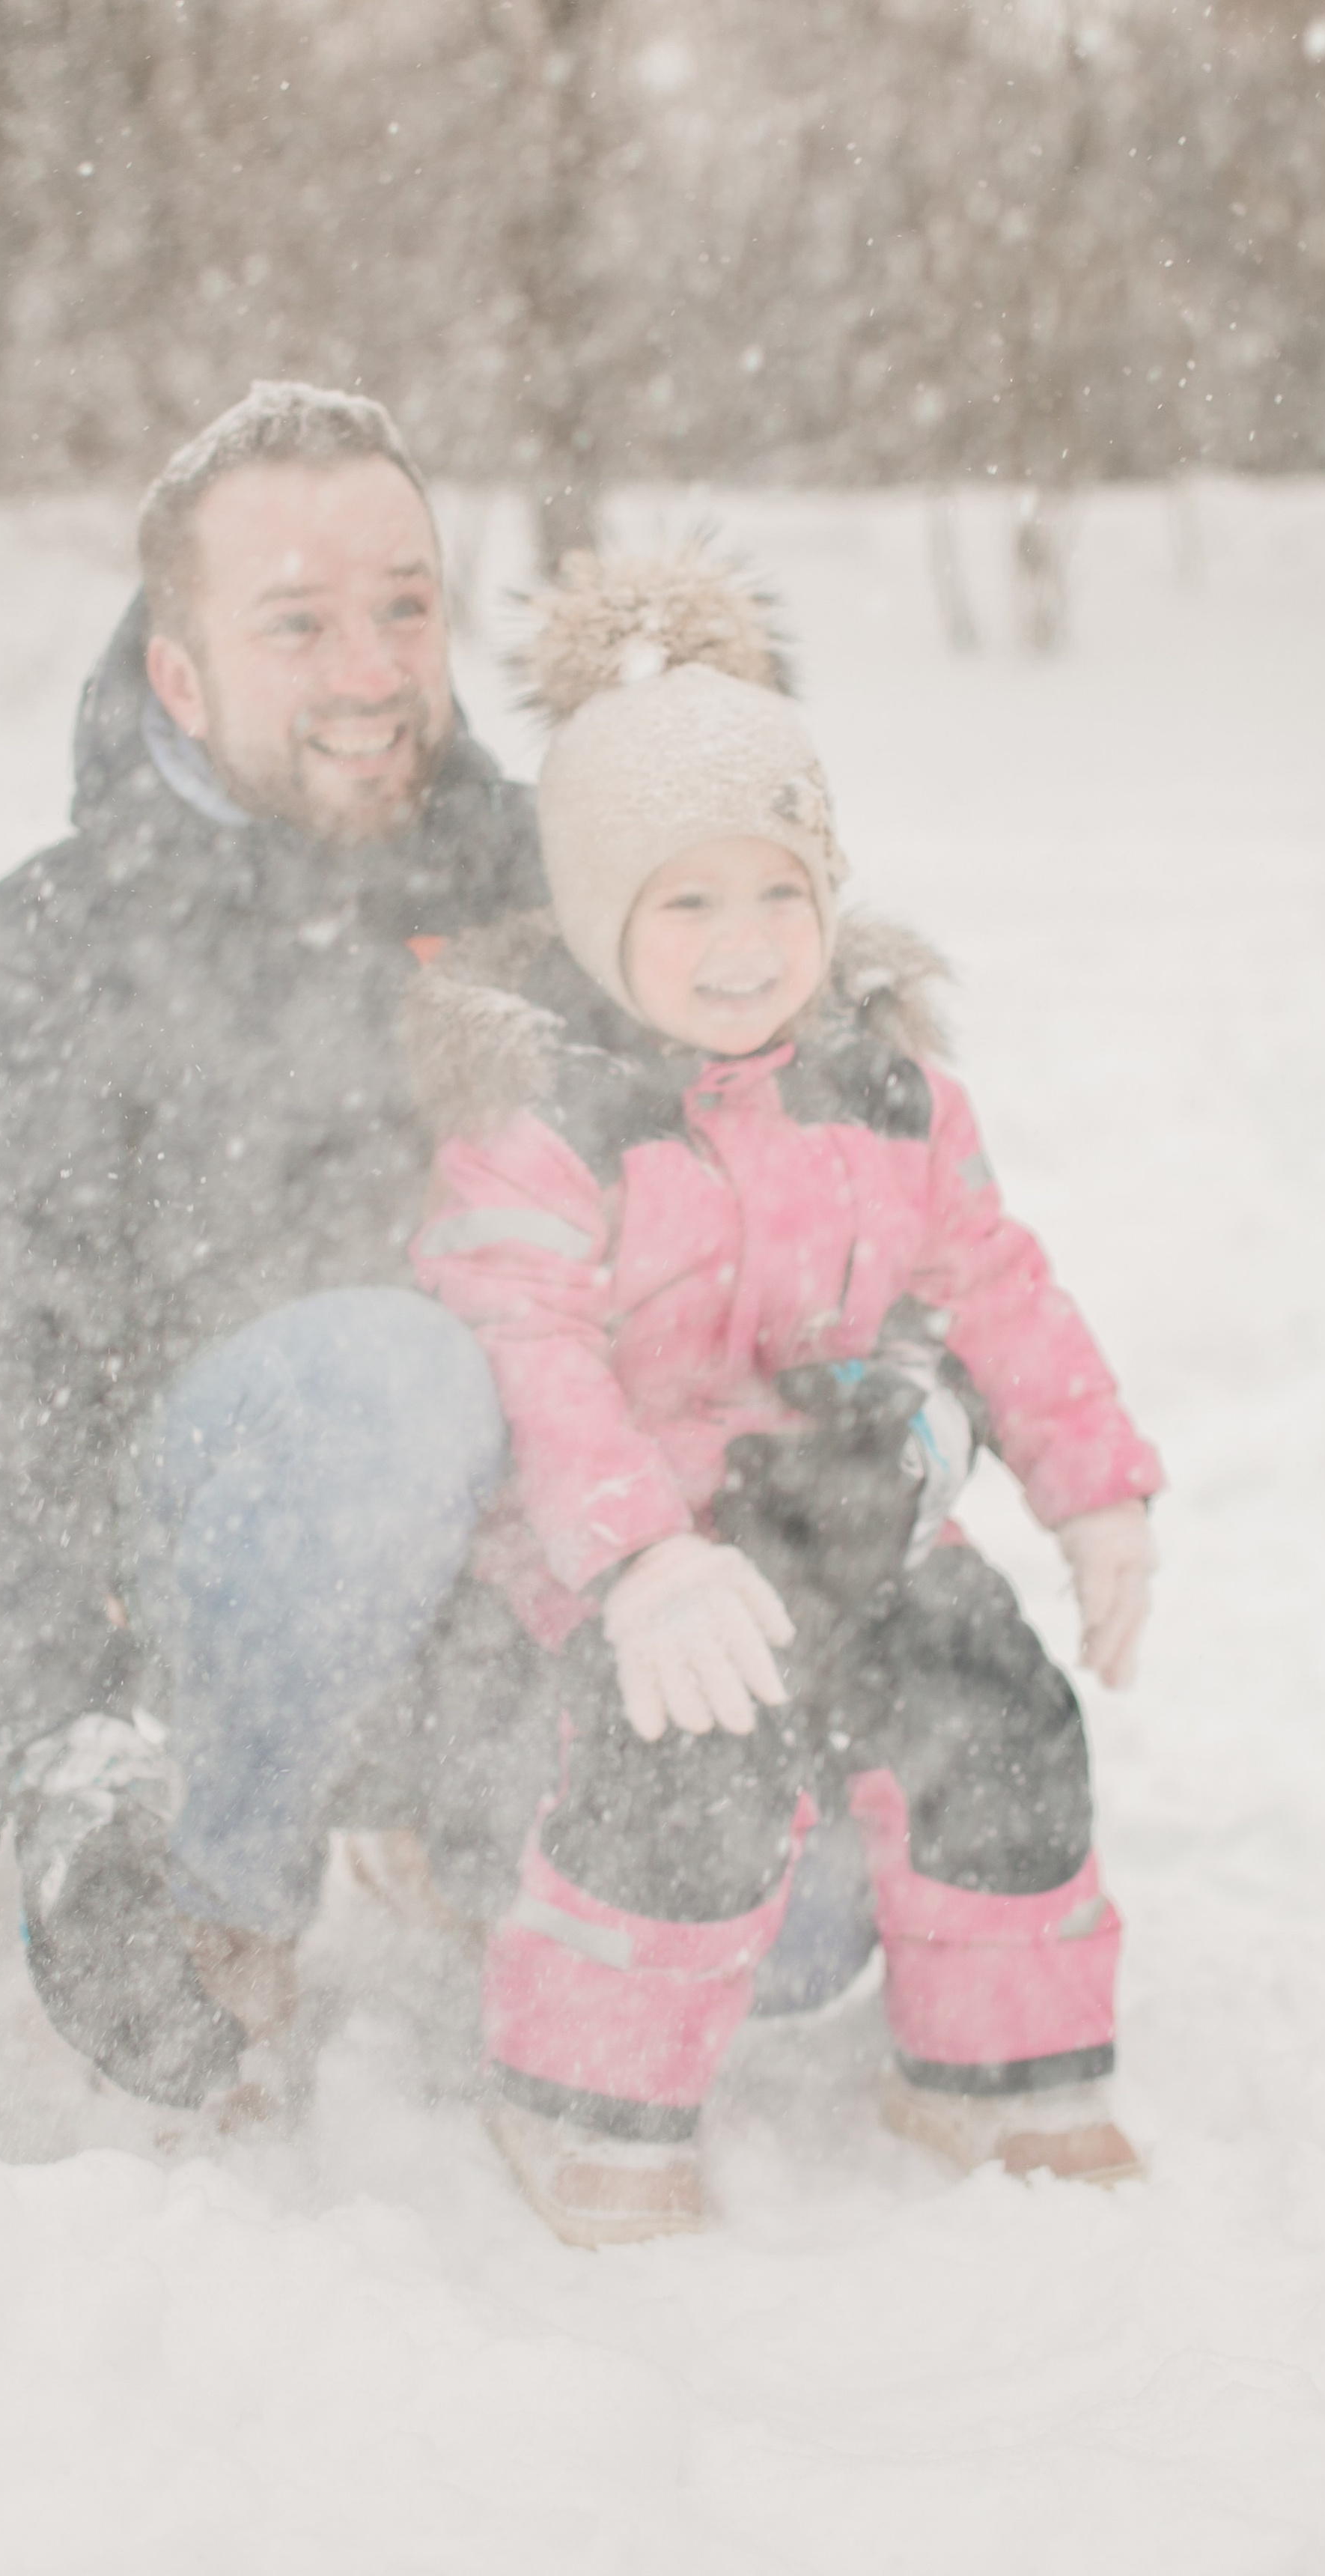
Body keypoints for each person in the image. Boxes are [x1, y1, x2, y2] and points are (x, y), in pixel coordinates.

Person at [407, 550, 1163, 2246]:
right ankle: (585, 2101)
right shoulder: (546, 1118)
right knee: (696, 1740)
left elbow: (993, 1286)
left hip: (840, 1501)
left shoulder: (883, 1095)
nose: (743, 946)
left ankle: (1000, 2070)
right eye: (684, 904)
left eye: (777, 894)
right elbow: (525, 1342)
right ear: (604, 917)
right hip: (629, 1544)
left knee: (993, 1695)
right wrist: (634, 1555)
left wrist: (1093, 1489)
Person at [0, 382, 543, 2111]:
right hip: (183, 1599)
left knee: (804, 1919)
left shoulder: (544, 901)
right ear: (179, 671)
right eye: (295, 624)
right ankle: (220, 1874)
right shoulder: (43, 967)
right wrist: (65, 1742)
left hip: (510, 1567)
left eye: (402, 606)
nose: (372, 670)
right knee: (387, 1375)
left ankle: (470, 1819)